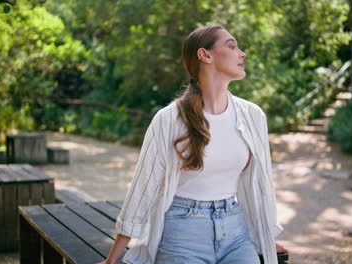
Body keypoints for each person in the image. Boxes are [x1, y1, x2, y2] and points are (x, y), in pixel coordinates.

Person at [100, 24, 288, 264]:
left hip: (235, 232)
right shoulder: (169, 119)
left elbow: (262, 184)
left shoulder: (253, 116)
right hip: (182, 232)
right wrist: (112, 259)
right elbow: (143, 188)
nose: (242, 53)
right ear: (205, 55)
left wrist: (266, 236)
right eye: (232, 46)